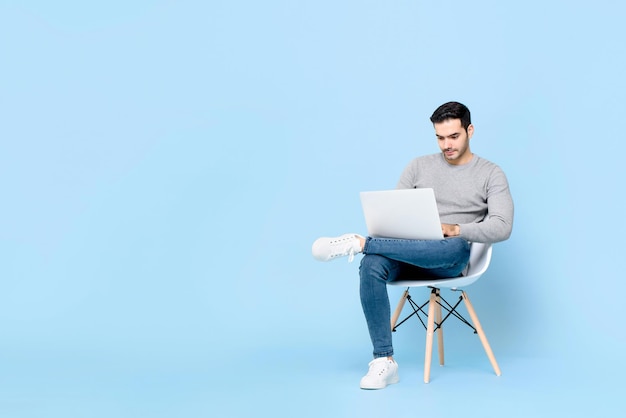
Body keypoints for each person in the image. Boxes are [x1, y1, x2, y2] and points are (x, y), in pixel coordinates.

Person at [311, 101, 514, 390]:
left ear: (470, 131)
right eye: (440, 137)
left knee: (456, 246)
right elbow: (394, 216)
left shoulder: (491, 174)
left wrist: (456, 229)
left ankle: (360, 243)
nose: (447, 145)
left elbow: (503, 226)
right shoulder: (418, 166)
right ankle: (384, 361)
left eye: (454, 136)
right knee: (371, 264)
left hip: (449, 260)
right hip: (408, 255)